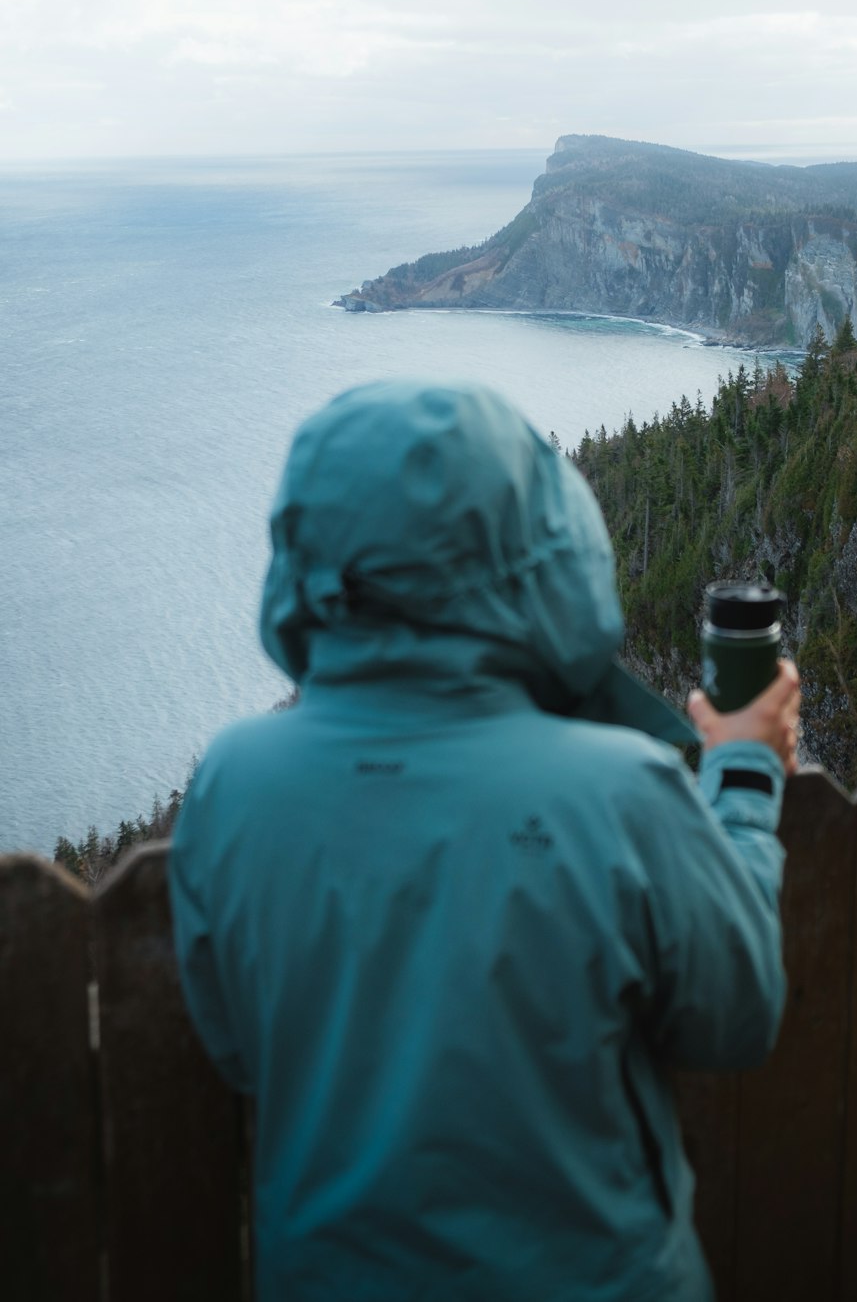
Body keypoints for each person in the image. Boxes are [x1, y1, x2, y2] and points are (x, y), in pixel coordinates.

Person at [169, 379, 799, 1302]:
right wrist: (744, 777)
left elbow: (232, 1046)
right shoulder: (619, 789)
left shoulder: (232, 784)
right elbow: (736, 1015)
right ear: (537, 548)